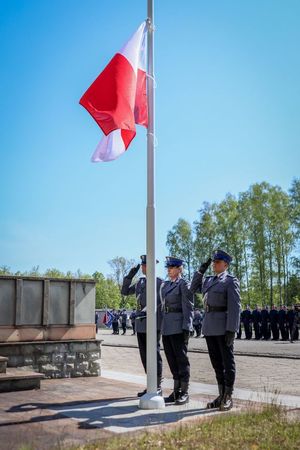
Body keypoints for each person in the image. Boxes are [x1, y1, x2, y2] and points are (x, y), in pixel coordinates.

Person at [190, 250, 241, 411]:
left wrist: (232, 329)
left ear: (225, 264)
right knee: (216, 363)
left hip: (223, 326)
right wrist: (200, 271)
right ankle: (221, 394)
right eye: (213, 262)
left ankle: (228, 396)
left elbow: (235, 307)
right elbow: (193, 288)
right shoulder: (209, 280)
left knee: (227, 363)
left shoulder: (230, 281)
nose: (214, 264)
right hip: (209, 326)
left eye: (217, 262)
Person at [121, 255, 163, 397]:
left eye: (146, 265)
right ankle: (150, 383)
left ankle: (157, 385)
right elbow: (124, 292)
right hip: (140, 324)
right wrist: (129, 276)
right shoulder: (140, 283)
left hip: (153, 324)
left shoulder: (159, 283)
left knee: (154, 355)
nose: (144, 267)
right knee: (144, 355)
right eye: (143, 265)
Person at [160, 257, 194, 405]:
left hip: (179, 326)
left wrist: (188, 326)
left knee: (181, 359)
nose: (169, 269)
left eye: (172, 267)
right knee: (171, 359)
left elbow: (188, 306)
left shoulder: (184, 284)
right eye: (168, 267)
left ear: (179, 269)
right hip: (167, 326)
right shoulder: (166, 285)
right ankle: (176, 390)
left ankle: (185, 392)